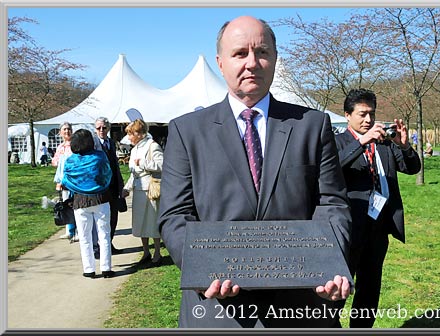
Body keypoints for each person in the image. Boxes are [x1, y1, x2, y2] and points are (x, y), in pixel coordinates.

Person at [157, 16, 352, 328]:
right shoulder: (186, 132)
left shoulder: (312, 126)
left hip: (301, 307)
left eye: (262, 52)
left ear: (274, 59)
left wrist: (329, 264)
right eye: (239, 54)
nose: (252, 63)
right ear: (220, 63)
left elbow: (332, 204)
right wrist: (202, 268)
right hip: (217, 310)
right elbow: (175, 214)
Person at [335, 88, 421, 328]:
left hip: (378, 227)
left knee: (370, 288)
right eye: (362, 114)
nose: (369, 120)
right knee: (338, 288)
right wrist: (361, 142)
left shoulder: (383, 143)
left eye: (371, 114)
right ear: (347, 115)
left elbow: (412, 168)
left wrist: (403, 147)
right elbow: (332, 169)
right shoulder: (337, 141)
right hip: (348, 227)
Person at [61, 129, 115, 279]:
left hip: (80, 201)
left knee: (84, 237)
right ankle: (106, 268)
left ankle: (89, 269)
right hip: (101, 198)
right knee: (104, 235)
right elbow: (107, 174)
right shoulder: (99, 156)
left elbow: (65, 180)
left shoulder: (71, 160)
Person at [122, 119, 163, 265]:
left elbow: (161, 165)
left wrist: (144, 163)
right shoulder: (134, 149)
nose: (129, 137)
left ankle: (157, 251)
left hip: (150, 189)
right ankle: (146, 251)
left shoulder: (152, 146)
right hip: (138, 189)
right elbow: (134, 174)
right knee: (140, 222)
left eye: (130, 134)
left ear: (139, 134)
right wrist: (127, 188)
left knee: (152, 221)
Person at [93, 117, 125, 256]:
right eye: (99, 128)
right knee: (100, 219)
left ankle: (108, 244)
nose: (101, 130)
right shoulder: (93, 144)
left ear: (108, 129)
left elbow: (115, 165)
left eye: (104, 128)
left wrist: (121, 184)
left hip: (113, 186)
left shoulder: (111, 143)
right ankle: (98, 247)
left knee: (113, 217)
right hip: (100, 187)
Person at [52, 122, 78, 242]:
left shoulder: (75, 144)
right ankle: (69, 230)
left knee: (76, 204)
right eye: (64, 129)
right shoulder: (60, 147)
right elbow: (55, 162)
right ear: (60, 132)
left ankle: (77, 231)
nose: (67, 131)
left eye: (69, 129)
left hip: (75, 180)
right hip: (63, 181)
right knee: (66, 205)